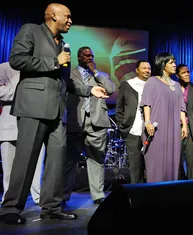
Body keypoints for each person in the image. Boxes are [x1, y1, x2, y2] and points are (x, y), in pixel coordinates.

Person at [0, 3, 108, 225]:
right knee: (26, 159)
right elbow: (17, 59)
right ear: (52, 15)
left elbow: (64, 82)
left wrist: (90, 90)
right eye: (67, 17)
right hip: (33, 106)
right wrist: (53, 62)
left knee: (57, 160)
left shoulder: (63, 44)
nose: (70, 21)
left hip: (57, 111)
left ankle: (51, 207)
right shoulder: (31, 30)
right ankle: (10, 208)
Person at [63, 46, 115, 204]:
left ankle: (98, 195)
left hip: (97, 122)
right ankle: (64, 195)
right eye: (86, 56)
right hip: (75, 121)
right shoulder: (70, 74)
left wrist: (96, 73)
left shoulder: (101, 75)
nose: (90, 58)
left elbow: (111, 89)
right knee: (70, 160)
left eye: (91, 56)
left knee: (96, 159)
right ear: (79, 57)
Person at [0, 62, 45, 205]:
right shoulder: (4, 68)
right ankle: (9, 198)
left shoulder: (37, 67)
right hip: (9, 124)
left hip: (35, 121)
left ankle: (38, 196)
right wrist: (26, 91)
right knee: (9, 167)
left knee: (37, 164)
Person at [140, 52, 188, 182]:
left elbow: (181, 108)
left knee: (172, 159)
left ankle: (169, 193)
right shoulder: (152, 81)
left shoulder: (177, 85)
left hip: (173, 129)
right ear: (163, 64)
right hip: (157, 127)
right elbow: (146, 104)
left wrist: (184, 125)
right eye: (171, 62)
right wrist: (148, 122)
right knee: (157, 160)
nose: (174, 65)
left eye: (174, 62)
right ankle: (154, 192)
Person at [115, 60, 151, 184]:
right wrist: (122, 125)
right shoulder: (128, 84)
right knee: (135, 164)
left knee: (151, 163)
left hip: (151, 130)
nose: (147, 70)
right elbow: (119, 107)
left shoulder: (154, 85)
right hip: (132, 129)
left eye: (148, 68)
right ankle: (137, 192)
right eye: (144, 68)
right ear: (137, 70)